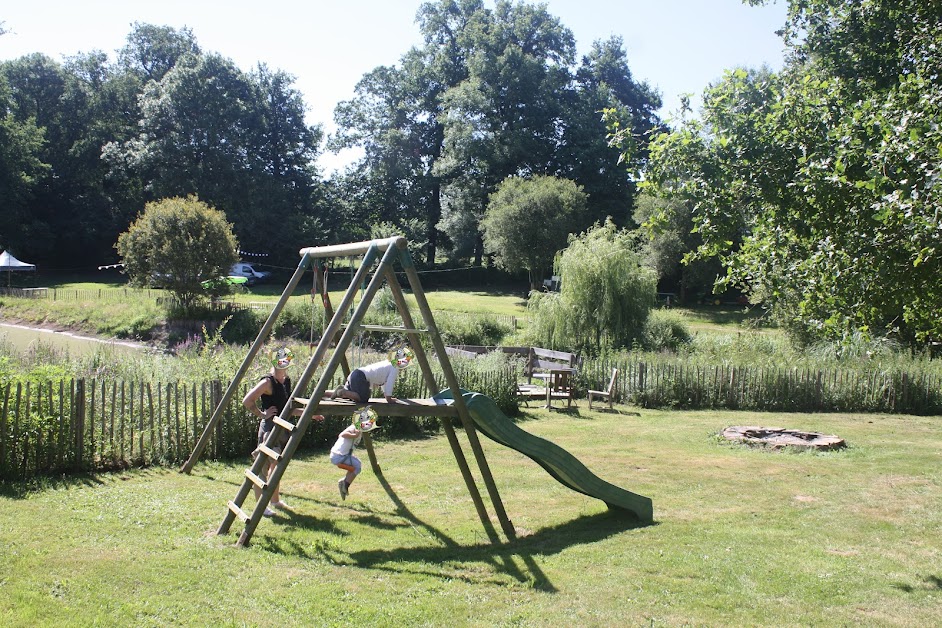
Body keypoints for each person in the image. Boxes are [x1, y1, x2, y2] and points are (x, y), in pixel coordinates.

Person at [243, 347, 298, 516]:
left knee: (276, 466)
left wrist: (310, 415)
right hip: (269, 429)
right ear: (274, 361)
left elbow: (287, 408)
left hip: (283, 429)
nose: (284, 363)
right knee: (263, 467)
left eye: (286, 360)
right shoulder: (267, 382)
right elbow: (247, 400)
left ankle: (275, 501)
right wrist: (262, 414)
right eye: (281, 360)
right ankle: (262, 506)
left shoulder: (286, 381)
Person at [328, 346, 414, 403]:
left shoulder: (388, 364)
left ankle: (325, 394)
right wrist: (389, 398)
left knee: (351, 396)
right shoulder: (394, 367)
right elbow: (390, 383)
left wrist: (387, 396)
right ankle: (341, 391)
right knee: (363, 399)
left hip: (356, 374)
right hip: (360, 377)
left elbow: (385, 382)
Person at [330, 409, 378, 500]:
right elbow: (342, 434)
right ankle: (344, 484)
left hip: (340, 456)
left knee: (357, 465)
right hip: (338, 456)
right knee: (357, 466)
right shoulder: (354, 428)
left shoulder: (359, 430)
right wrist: (354, 436)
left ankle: (344, 483)